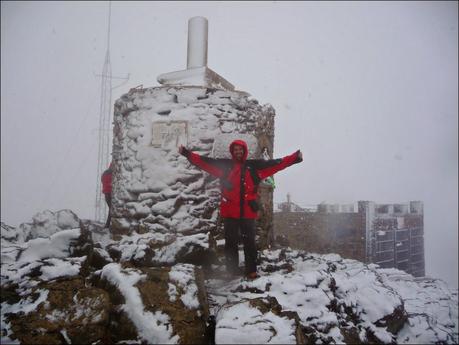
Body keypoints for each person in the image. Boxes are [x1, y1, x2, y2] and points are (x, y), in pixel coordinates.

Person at [179, 140, 302, 280]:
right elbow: (204, 162)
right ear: (232, 152)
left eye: (240, 149)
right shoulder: (225, 167)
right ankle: (231, 270)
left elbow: (277, 164)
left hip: (248, 213)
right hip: (230, 212)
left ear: (244, 151)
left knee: (249, 243)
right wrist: (186, 153)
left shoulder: (254, 168)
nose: (238, 152)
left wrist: (295, 158)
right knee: (230, 243)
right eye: (235, 150)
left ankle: (251, 270)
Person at [101, 162, 113, 229]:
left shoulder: (105, 173)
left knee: (111, 209)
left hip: (106, 193)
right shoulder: (112, 174)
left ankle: (108, 225)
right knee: (112, 209)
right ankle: (107, 225)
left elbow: (102, 180)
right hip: (110, 193)